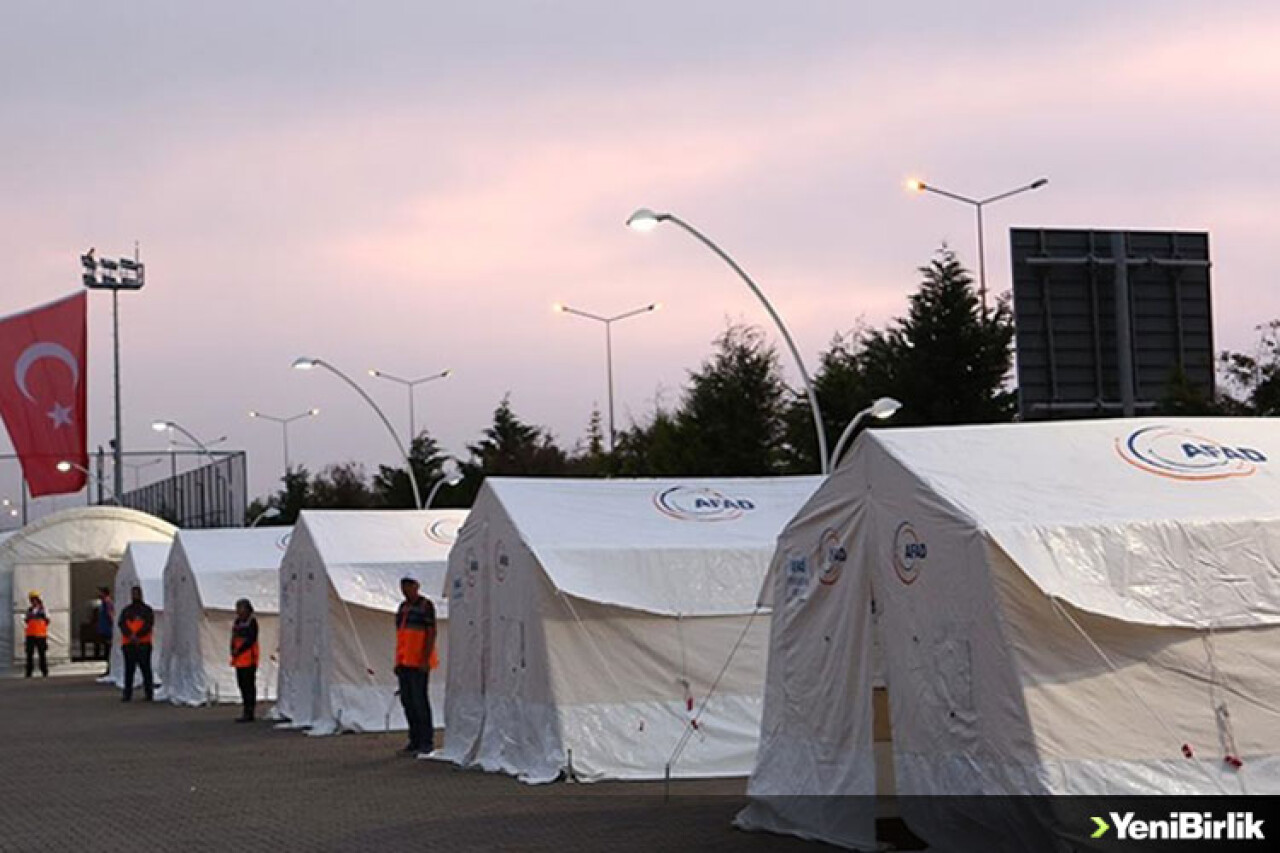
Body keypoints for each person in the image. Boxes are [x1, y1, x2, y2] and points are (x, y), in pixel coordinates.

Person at [394, 573, 437, 758]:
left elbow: (431, 633)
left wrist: (425, 659)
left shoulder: (425, 606)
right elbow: (401, 636)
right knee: (407, 701)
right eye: (403, 585)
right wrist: (397, 661)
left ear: (417, 586)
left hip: (418, 661)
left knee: (420, 701)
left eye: (409, 585)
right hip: (404, 661)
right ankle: (414, 739)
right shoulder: (403, 608)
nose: (405, 589)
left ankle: (426, 741)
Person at [118, 585, 155, 702]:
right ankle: (127, 694)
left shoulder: (147, 610)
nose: (135, 595)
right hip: (128, 644)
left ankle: (149, 694)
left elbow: (149, 625)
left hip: (143, 644)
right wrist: (130, 635)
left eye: (137, 593)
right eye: (133, 593)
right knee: (129, 670)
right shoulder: (126, 610)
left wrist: (138, 635)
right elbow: (121, 624)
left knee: (146, 670)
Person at [230, 598, 260, 722]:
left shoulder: (252, 622)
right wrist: (232, 649)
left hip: (249, 657)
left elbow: (251, 639)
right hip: (239, 659)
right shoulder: (237, 621)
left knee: (249, 685)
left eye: (240, 608)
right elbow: (233, 636)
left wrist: (240, 650)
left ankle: (250, 711)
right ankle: (245, 709)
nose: (238, 611)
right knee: (241, 684)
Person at [23, 592, 50, 678]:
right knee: (29, 654)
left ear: (38, 600)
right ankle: (29, 672)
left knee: (42, 654)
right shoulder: (29, 610)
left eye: (35, 600)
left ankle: (44, 671)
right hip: (30, 635)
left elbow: (47, 620)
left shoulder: (44, 610)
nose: (33, 602)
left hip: (40, 635)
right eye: (32, 600)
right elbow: (26, 620)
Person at [97, 586, 114, 675]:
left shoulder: (107, 603)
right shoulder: (104, 603)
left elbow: (110, 615)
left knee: (108, 650)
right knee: (106, 650)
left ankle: (110, 669)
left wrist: (112, 626)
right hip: (104, 629)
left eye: (100, 592)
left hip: (108, 630)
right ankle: (108, 668)